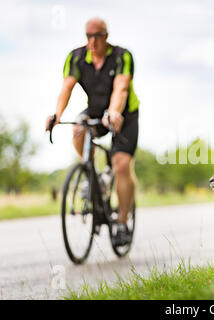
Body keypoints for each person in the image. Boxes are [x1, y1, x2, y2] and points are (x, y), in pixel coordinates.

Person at [45, 17, 139, 245]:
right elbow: (66, 88)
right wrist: (57, 114)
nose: (92, 41)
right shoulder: (76, 57)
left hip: (124, 115)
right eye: (88, 36)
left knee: (121, 165)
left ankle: (122, 222)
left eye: (97, 36)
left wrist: (114, 112)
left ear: (106, 36)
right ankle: (91, 174)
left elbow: (121, 88)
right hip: (95, 110)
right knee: (78, 129)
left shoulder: (121, 56)